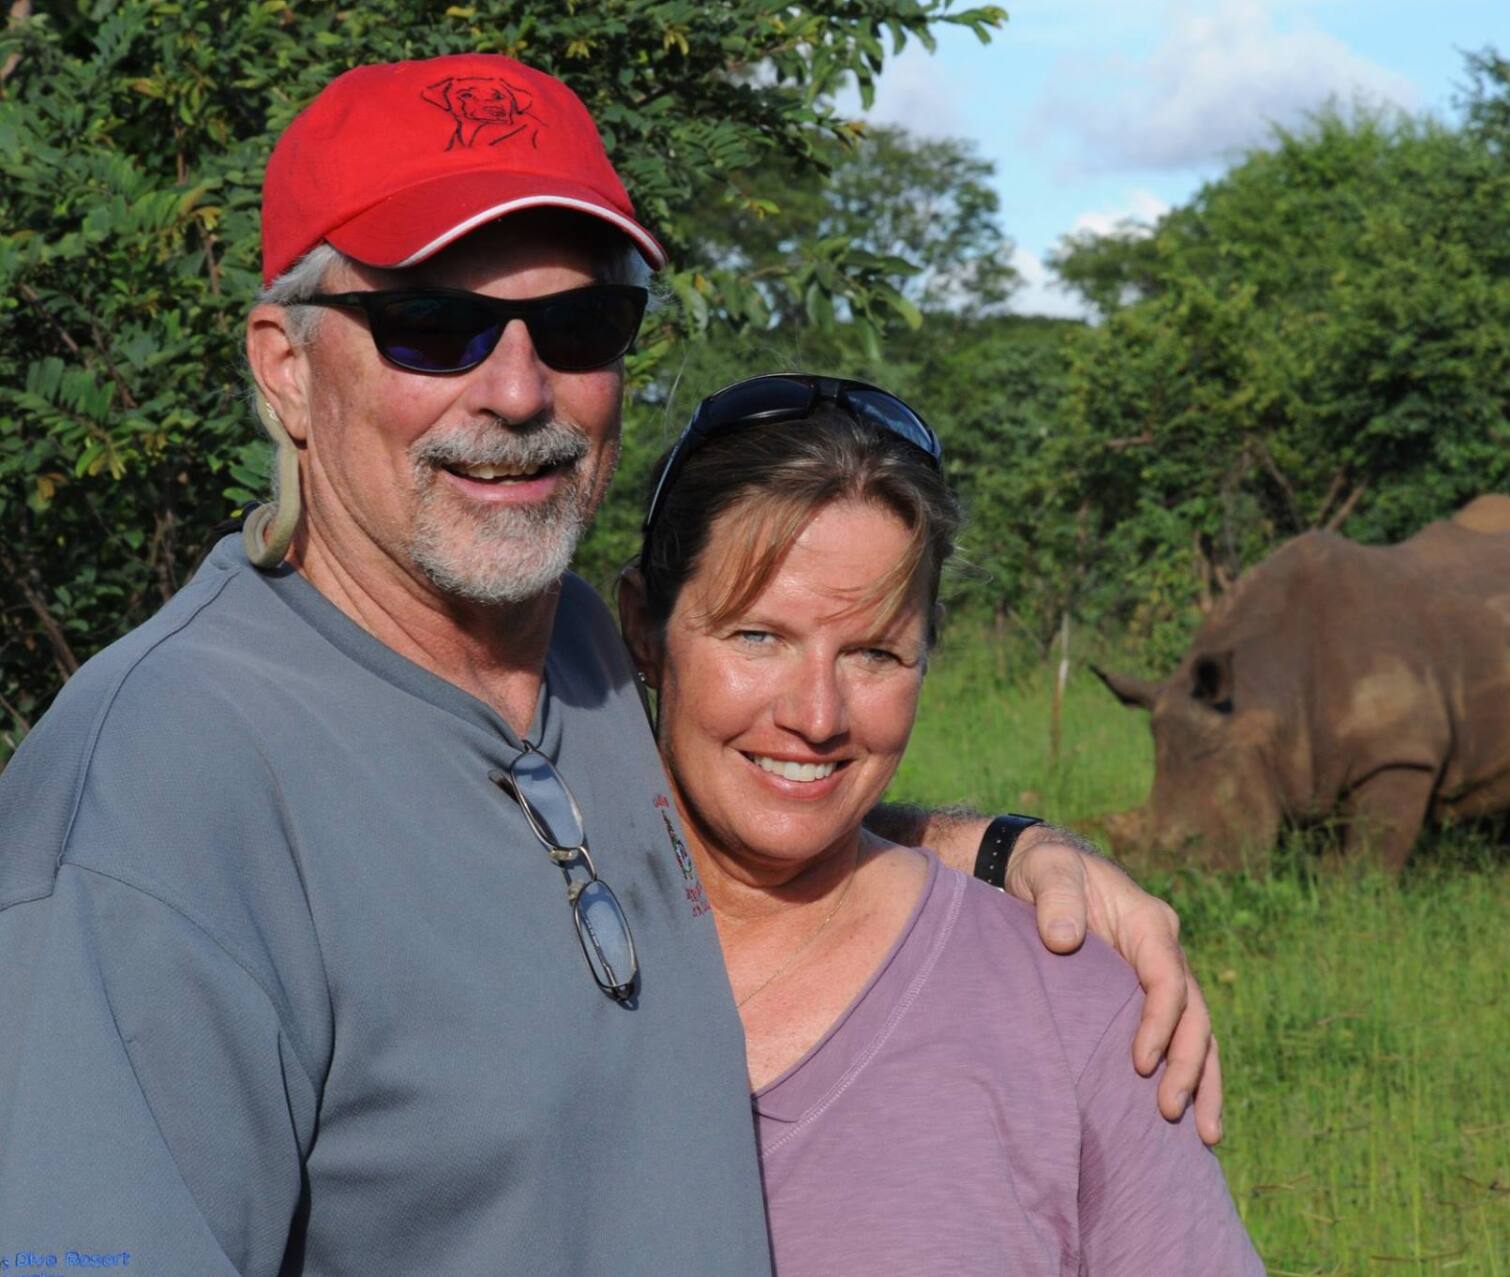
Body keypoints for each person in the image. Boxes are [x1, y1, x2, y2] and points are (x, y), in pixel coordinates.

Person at [0, 52, 1216, 1275]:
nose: (521, 389)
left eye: (581, 323)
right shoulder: (156, 798)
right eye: (433, 323)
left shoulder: (575, 653)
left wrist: (996, 850)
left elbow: (738, 801)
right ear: (286, 367)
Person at [618, 373, 1264, 1275]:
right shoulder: (503, 948)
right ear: (641, 631)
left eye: (874, 652)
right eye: (756, 636)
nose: (817, 714)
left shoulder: (1067, 1002)